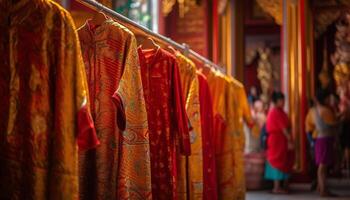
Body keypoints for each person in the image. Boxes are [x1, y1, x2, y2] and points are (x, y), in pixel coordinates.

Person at [306, 89, 339, 197]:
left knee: (322, 165)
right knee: (323, 166)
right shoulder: (326, 111)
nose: (330, 100)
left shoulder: (312, 111)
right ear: (324, 99)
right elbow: (334, 124)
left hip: (319, 139)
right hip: (326, 139)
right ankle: (323, 190)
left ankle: (321, 188)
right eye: (328, 98)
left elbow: (308, 127)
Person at [264, 91, 294, 194]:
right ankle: (276, 187)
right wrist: (290, 139)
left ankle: (283, 185)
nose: (283, 102)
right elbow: (284, 128)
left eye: (283, 100)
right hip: (276, 141)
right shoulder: (275, 112)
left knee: (284, 160)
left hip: (281, 141)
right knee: (276, 161)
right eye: (281, 100)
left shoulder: (280, 111)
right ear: (276, 101)